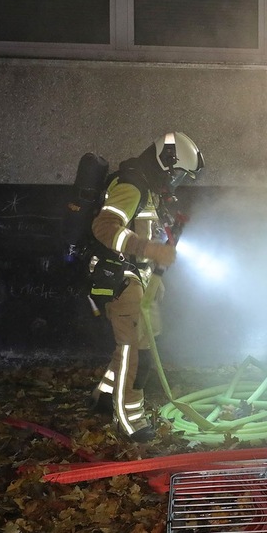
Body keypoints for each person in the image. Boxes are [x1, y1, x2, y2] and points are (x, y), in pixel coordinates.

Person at [87, 132, 204, 442]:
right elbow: (104, 228)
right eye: (178, 173)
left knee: (141, 341)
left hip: (134, 276)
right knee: (136, 353)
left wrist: (152, 273)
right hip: (116, 277)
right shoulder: (131, 186)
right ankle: (129, 421)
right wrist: (152, 252)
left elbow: (139, 235)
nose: (177, 182)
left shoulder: (147, 189)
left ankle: (103, 396)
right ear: (165, 161)